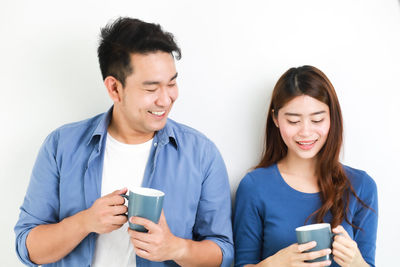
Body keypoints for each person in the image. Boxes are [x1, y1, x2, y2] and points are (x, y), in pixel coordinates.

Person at [15, 17, 233, 267]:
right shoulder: (61, 146)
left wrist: (175, 248)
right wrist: (85, 222)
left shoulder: (201, 154)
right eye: (151, 89)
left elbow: (223, 254)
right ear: (114, 89)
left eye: (172, 83)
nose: (166, 99)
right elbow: (28, 248)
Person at [233, 65, 378, 267]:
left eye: (317, 119)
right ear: (275, 119)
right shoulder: (254, 187)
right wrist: (274, 264)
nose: (306, 132)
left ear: (331, 118)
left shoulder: (361, 186)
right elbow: (243, 263)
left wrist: (357, 263)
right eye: (293, 121)